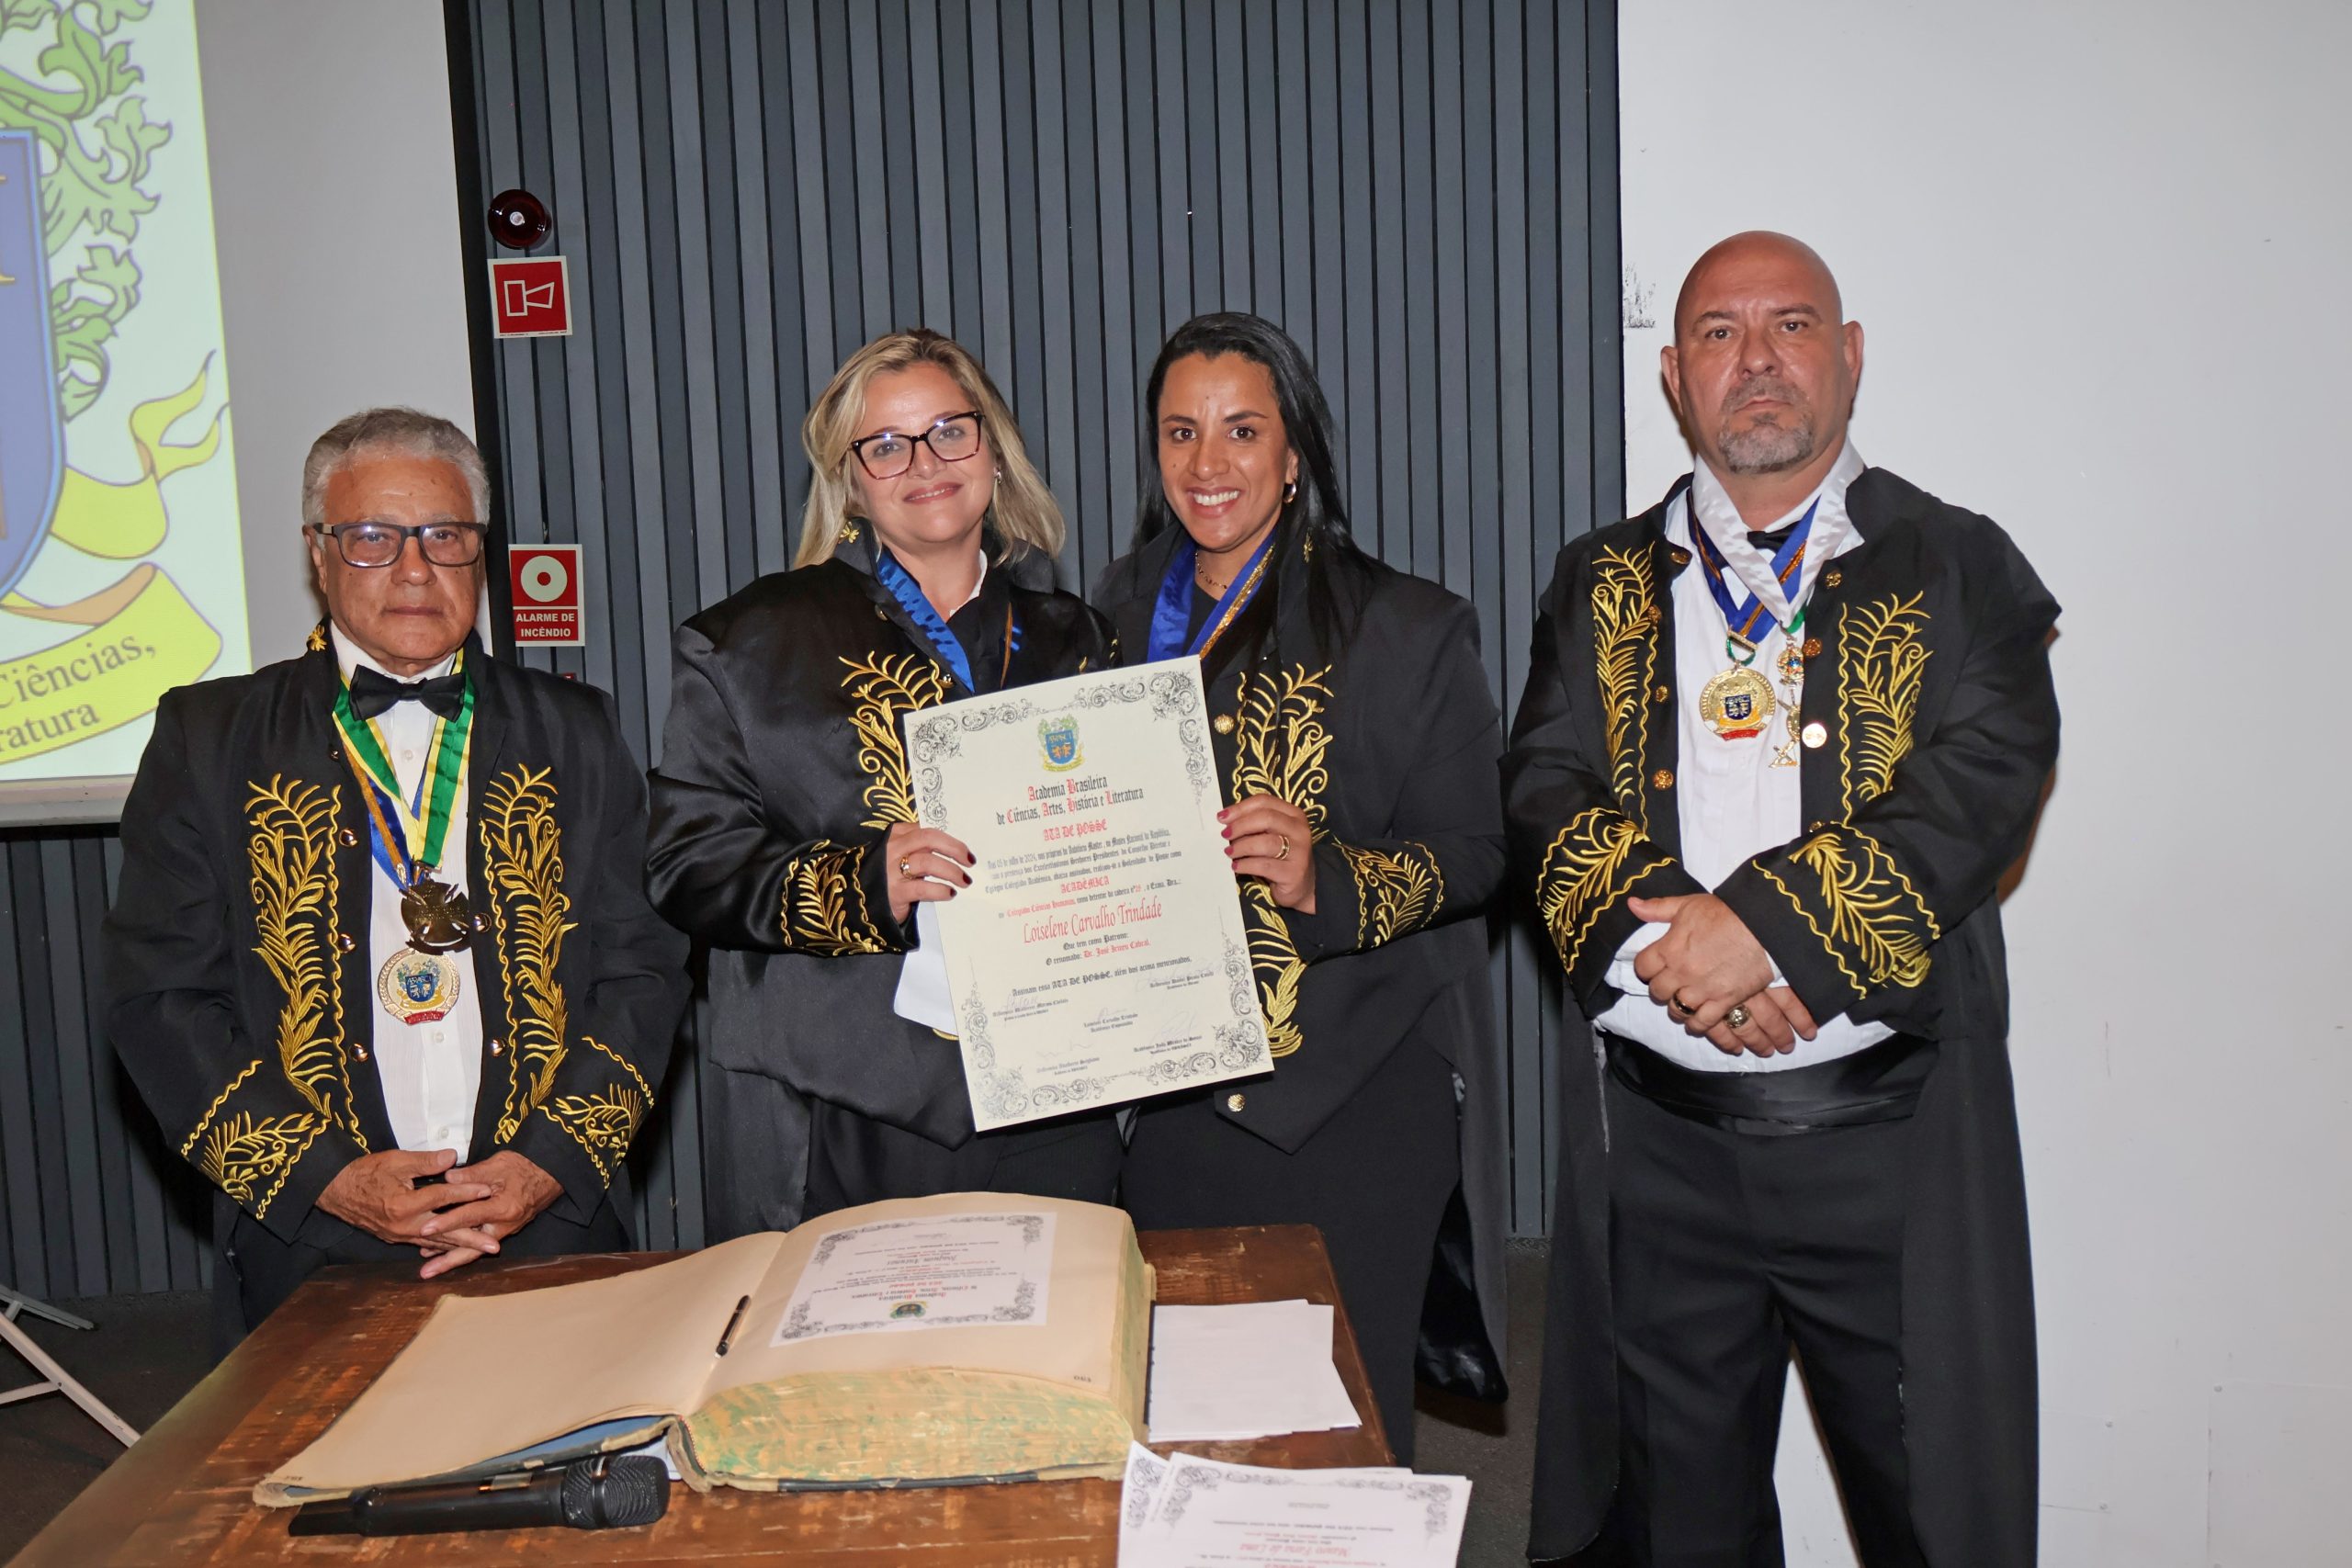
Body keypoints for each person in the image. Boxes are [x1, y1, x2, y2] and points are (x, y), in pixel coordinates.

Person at [1507, 232, 2059, 1566]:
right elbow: (1541, 781)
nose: (1755, 360)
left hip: (1890, 1142)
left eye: (1790, 324)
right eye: (1717, 332)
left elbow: (1985, 776)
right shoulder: (1603, 577)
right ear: (1671, 376)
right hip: (1661, 1150)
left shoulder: (1956, 559)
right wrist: (1678, 958)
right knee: (1672, 1526)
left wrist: (1762, 928)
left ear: (1849, 355)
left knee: (1941, 1521)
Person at [104, 408, 688, 1348]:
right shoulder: (210, 738)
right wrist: (324, 1180)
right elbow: (161, 999)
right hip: (311, 1239)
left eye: (444, 537)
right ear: (318, 555)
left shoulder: (577, 727)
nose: (414, 569)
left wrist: (546, 1165)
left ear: (478, 556)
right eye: (373, 538)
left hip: (549, 1228)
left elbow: (645, 972)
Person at [1092, 313, 1508, 1462]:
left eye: (1240, 430)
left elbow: (1480, 853)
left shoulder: (1408, 629)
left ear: (1294, 453)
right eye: (1180, 432)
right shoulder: (1106, 618)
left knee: (1336, 1447)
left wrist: (1328, 875)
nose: (1206, 464)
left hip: (1352, 1100)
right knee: (1179, 1440)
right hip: (1166, 1103)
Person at [645, 329, 1122, 1235]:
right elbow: (685, 864)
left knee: (1050, 1370)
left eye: (950, 430)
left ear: (992, 447)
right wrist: (862, 881)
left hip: (1058, 1090)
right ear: (850, 477)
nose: (925, 463)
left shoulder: (1078, 638)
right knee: (863, 1379)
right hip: (849, 1102)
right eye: (887, 445)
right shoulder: (744, 643)